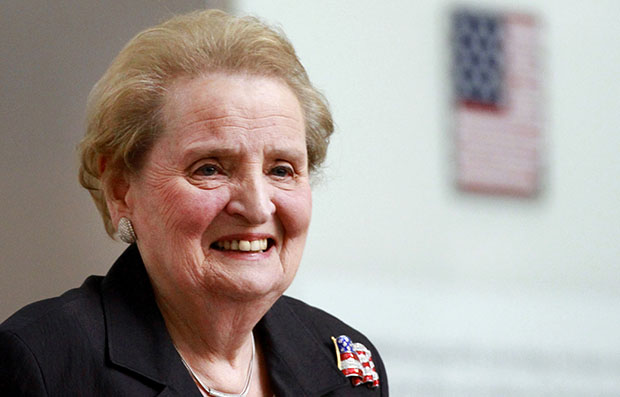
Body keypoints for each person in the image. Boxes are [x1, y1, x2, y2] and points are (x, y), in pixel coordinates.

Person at [0, 9, 388, 397]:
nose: (256, 208)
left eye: (281, 170)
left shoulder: (345, 366)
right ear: (121, 189)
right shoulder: (44, 362)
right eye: (209, 169)